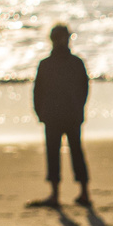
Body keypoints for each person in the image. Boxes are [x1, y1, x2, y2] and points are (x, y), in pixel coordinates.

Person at [32, 23, 91, 208]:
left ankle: (79, 193)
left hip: (63, 115)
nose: (60, 41)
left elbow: (84, 89)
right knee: (62, 153)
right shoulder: (66, 63)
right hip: (60, 115)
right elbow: (38, 91)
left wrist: (40, 112)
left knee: (68, 152)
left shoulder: (62, 63)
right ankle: (64, 194)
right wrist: (40, 112)